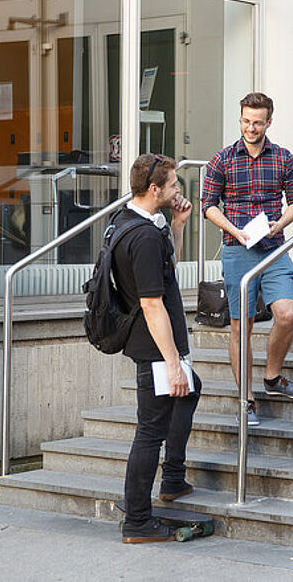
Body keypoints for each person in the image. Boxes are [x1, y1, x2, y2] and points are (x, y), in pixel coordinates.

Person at [203, 92, 293, 427]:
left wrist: (281, 223)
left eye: (257, 122)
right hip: (238, 248)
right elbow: (208, 206)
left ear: (269, 122)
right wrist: (234, 231)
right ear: (241, 120)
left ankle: (273, 377)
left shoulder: (282, 158)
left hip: (273, 245)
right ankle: (246, 401)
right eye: (246, 121)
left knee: (287, 314)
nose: (251, 127)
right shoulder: (222, 160)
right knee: (241, 325)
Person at [113, 153, 201, 543]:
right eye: (173, 185)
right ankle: (137, 520)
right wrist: (172, 363)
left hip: (152, 345)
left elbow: (166, 274)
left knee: (191, 389)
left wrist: (179, 228)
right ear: (155, 189)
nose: (178, 190)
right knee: (149, 432)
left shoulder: (131, 222)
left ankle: (174, 478)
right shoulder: (145, 237)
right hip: (154, 348)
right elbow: (152, 303)